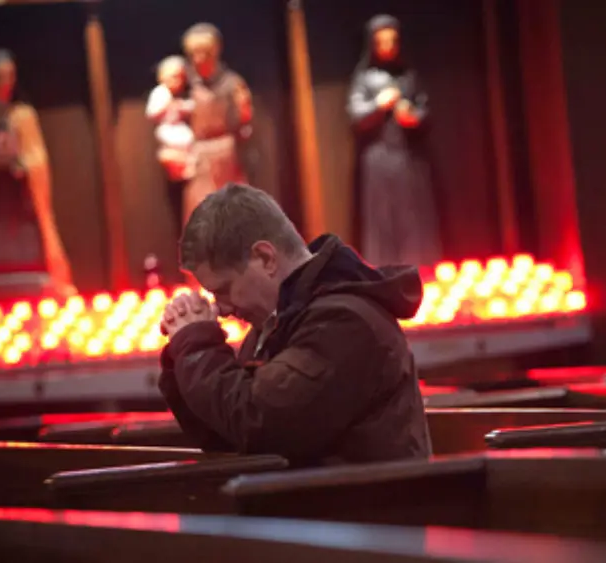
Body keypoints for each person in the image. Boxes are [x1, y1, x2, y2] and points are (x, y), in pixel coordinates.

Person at [157, 183, 432, 467]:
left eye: (224, 290)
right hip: (306, 505)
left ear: (265, 258)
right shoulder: (277, 323)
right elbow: (229, 434)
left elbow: (263, 423)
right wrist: (183, 354)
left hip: (360, 508)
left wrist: (196, 344)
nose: (222, 309)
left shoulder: (344, 322)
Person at [0, 49, 75, 304]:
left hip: (22, 191)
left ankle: (43, 278)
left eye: (10, 75)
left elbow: (38, 157)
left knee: (29, 233)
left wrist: (20, 162)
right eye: (0, 76)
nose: (6, 82)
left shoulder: (23, 114)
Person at [348, 15, 442, 267]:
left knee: (413, 217)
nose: (388, 46)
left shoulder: (407, 76)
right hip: (379, 159)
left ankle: (420, 267)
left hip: (408, 156)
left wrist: (413, 117)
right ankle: (387, 270)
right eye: (382, 41)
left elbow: (424, 109)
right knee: (383, 218)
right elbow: (356, 115)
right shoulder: (365, 78)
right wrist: (379, 105)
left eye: (392, 40)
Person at [181, 23, 253, 227]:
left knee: (233, 214)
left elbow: (244, 122)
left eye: (204, 52)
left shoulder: (232, 83)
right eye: (193, 53)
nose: (198, 59)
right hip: (198, 154)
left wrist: (244, 114)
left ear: (215, 51)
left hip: (227, 154)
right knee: (200, 216)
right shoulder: (186, 85)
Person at [146, 55, 196, 231]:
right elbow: (152, 112)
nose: (177, 82)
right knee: (178, 139)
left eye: (180, 78)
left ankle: (188, 165)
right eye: (173, 77)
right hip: (168, 130)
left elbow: (189, 107)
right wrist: (169, 105)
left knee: (188, 138)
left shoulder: (178, 96)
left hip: (179, 129)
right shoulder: (161, 93)